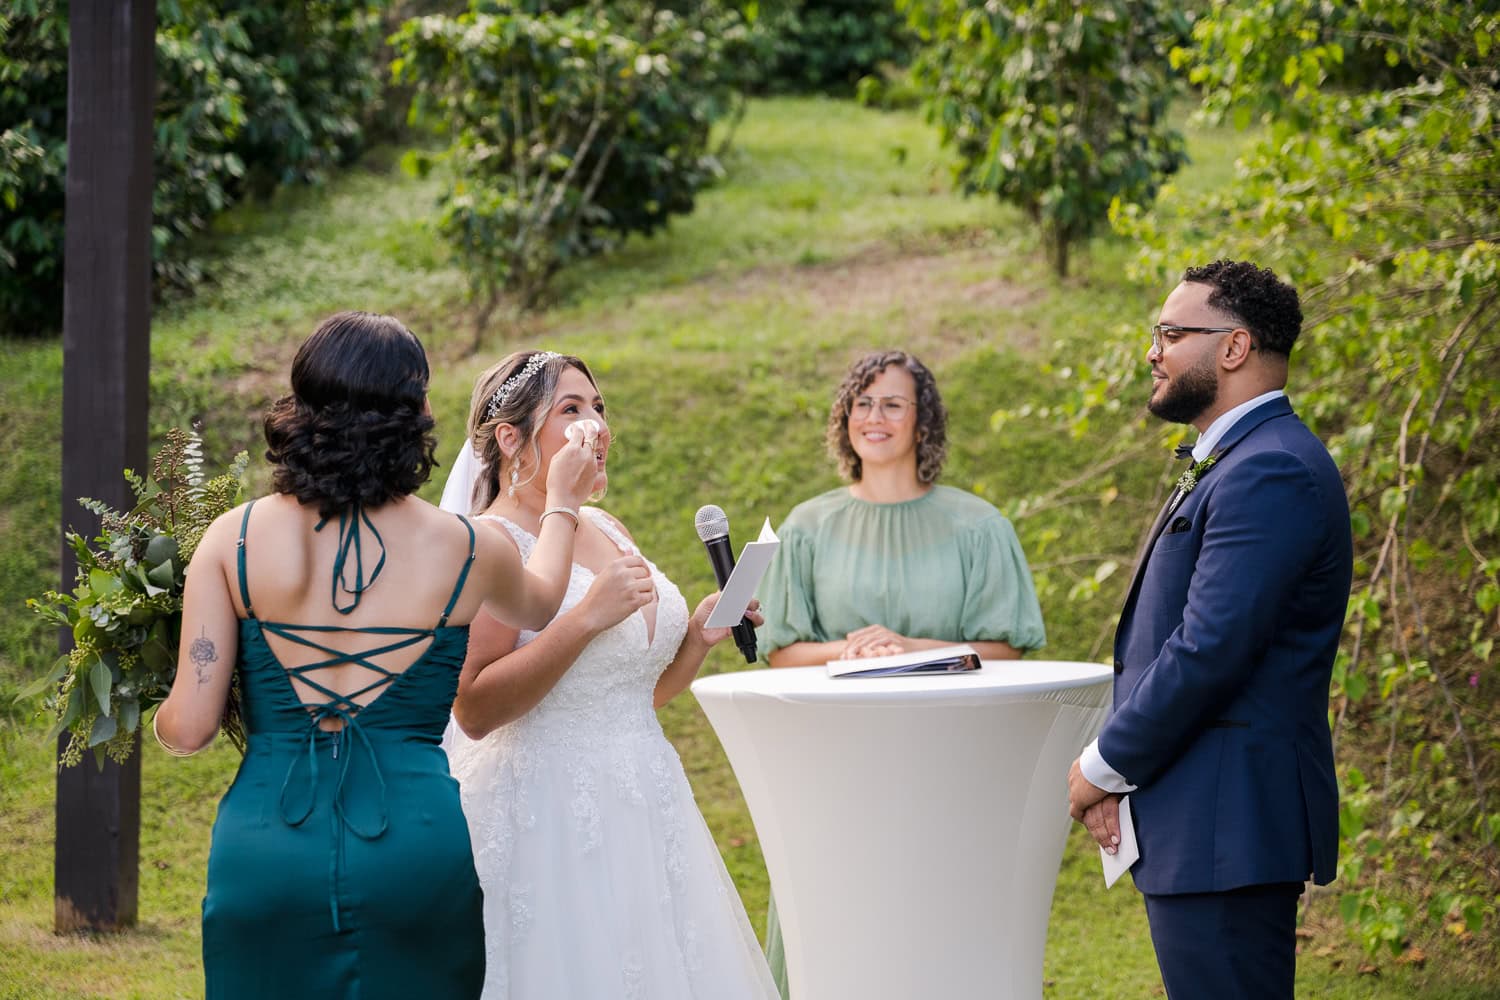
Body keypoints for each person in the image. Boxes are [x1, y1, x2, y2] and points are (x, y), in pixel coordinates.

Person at [154, 313, 597, 999]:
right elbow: (541, 605)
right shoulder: (468, 546)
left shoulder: (231, 540)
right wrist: (562, 502)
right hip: (414, 848)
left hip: (266, 849)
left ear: (302, 410)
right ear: (414, 413)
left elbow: (187, 729)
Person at [438, 350, 781, 1000]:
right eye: (571, 410)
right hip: (550, 818)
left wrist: (697, 642)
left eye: (598, 407)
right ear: (510, 438)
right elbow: (474, 710)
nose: (596, 425)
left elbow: (626, 698)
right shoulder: (492, 542)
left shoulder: (603, 526)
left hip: (645, 804)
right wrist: (585, 619)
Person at [1066, 261, 1352, 999]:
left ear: (1233, 348)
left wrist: (1103, 765)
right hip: (1201, 818)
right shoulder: (1238, 460)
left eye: (1169, 333)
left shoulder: (1271, 470)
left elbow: (1210, 647)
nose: (1152, 351)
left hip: (1231, 824)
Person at [757, 349, 1046, 995]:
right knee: (835, 920)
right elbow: (781, 651)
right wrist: (850, 653)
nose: (875, 416)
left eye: (893, 403)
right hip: (833, 763)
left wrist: (911, 646)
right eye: (862, 403)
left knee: (933, 921)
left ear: (924, 421)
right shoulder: (806, 527)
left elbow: (1007, 648)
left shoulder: (979, 526)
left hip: (945, 760)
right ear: (843, 419)